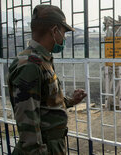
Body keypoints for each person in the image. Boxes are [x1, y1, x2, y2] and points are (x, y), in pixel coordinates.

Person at [8, 4, 87, 155]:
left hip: (52, 144)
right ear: (54, 30)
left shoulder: (41, 60)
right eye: (64, 32)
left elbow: (46, 102)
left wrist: (70, 101)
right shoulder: (30, 65)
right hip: (43, 147)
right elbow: (28, 122)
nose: (64, 37)